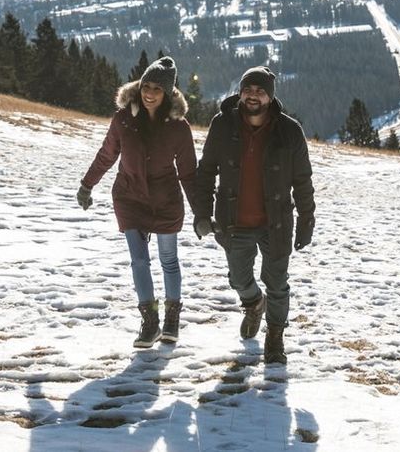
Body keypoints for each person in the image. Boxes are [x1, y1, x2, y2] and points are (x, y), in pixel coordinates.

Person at [189, 66, 315, 365]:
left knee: (278, 283)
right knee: (238, 279)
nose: (253, 95)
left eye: (260, 90)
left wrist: (307, 220)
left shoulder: (289, 130)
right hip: (234, 222)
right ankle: (253, 303)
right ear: (240, 91)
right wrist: (202, 214)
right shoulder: (223, 125)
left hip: (276, 223)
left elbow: (303, 180)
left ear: (270, 97)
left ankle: (275, 336)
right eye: (248, 88)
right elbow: (206, 172)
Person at [77, 56, 205, 348]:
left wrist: (201, 213)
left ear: (168, 93)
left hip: (165, 200)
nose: (149, 93)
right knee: (139, 260)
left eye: (157, 89)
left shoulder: (178, 127)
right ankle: (150, 323)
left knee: (168, 260)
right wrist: (87, 185)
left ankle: (172, 319)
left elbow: (188, 172)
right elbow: (107, 154)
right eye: (146, 86)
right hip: (129, 196)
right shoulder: (123, 118)